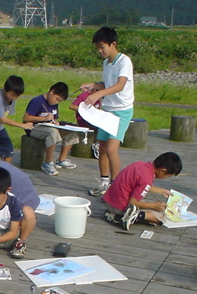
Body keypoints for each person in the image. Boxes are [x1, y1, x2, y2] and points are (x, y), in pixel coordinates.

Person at [80, 27, 134, 196]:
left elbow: (119, 86)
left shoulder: (124, 61)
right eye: (97, 47)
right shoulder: (106, 63)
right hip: (108, 110)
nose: (100, 51)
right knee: (102, 147)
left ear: (113, 44)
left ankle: (115, 185)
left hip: (122, 111)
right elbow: (108, 85)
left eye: (102, 47)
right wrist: (94, 86)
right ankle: (104, 182)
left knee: (111, 149)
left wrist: (98, 95)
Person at [103, 152, 182, 230]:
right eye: (169, 176)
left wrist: (161, 191)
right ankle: (129, 216)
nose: (167, 177)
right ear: (162, 171)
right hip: (119, 207)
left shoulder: (139, 164)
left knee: (144, 203)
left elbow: (139, 185)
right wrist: (153, 206)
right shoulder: (147, 179)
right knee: (162, 217)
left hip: (110, 200)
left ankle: (119, 214)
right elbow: (132, 203)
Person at [23, 82, 80, 176]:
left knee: (72, 131)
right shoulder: (37, 101)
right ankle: (48, 162)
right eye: (57, 99)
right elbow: (26, 118)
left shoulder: (54, 104)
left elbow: (54, 117)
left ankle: (61, 159)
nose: (56, 102)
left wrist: (56, 122)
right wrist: (44, 119)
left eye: (59, 101)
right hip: (34, 127)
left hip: (49, 126)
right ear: (52, 92)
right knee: (52, 132)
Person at [69, 89, 101, 159]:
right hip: (83, 121)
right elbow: (72, 106)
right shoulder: (84, 96)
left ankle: (98, 145)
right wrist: (84, 110)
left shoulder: (98, 98)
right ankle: (95, 145)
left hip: (93, 120)